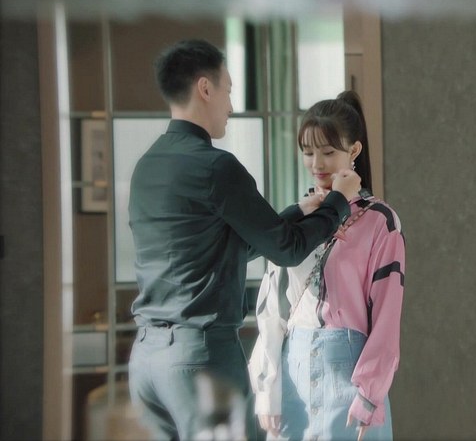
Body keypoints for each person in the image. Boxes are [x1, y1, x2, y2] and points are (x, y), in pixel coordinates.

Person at [127, 38, 361, 441]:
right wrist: (338, 202)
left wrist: (298, 211)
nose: (231, 106)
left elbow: (230, 246)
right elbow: (286, 249)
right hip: (199, 359)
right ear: (205, 88)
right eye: (229, 90)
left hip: (147, 363)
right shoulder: (216, 167)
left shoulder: (146, 166)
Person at [248, 91, 406, 441]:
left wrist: (369, 393)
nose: (317, 163)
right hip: (293, 379)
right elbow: (272, 308)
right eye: (308, 152)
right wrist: (267, 387)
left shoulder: (381, 222)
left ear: (354, 150)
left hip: (350, 381)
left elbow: (387, 316)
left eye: (328, 152)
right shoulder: (297, 217)